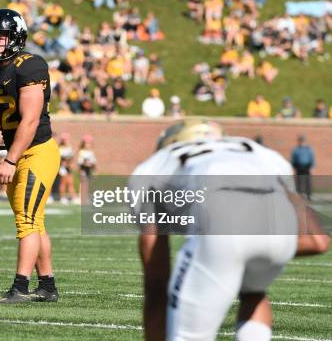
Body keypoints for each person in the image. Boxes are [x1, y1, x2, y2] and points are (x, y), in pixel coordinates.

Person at [132, 119, 329, 340]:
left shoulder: (154, 165)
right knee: (253, 292)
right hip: (276, 226)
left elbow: (157, 283)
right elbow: (318, 240)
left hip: (220, 223)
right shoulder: (257, 151)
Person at [0, 9, 60, 304]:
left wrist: (9, 160)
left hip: (38, 151)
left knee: (27, 221)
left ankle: (20, 288)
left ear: (15, 38)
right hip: (17, 153)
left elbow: (30, 121)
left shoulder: (30, 66)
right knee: (35, 221)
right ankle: (47, 287)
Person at [291, 135, 315, 201]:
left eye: (303, 141)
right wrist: (294, 168)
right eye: (300, 141)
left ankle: (309, 195)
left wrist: (312, 167)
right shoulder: (296, 150)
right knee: (299, 182)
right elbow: (293, 159)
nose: (302, 142)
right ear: (298, 142)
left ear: (305, 142)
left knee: (308, 182)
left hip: (307, 167)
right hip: (299, 167)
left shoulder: (309, 149)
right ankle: (299, 195)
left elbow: (312, 158)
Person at [57, 133, 76, 205]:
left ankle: (73, 197)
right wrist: (63, 162)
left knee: (71, 182)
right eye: (64, 140)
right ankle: (62, 197)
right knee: (63, 183)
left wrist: (70, 163)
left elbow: (72, 158)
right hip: (62, 168)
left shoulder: (69, 148)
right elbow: (59, 159)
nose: (65, 141)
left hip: (69, 167)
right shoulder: (60, 148)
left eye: (66, 140)